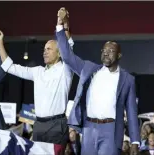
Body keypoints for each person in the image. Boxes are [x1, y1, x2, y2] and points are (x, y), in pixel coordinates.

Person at [56, 7, 140, 155]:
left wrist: (135, 140)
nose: (106, 53)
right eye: (104, 51)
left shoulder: (127, 79)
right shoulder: (89, 69)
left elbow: (132, 111)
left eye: (111, 51)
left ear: (119, 55)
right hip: (89, 128)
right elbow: (67, 56)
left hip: (112, 130)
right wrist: (60, 25)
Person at [0, 26, 74, 148]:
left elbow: (69, 50)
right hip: (38, 125)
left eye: (49, 49)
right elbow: (10, 67)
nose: (45, 51)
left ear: (59, 53)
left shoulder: (65, 70)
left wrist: (64, 25)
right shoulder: (37, 71)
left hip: (57, 125)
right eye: (44, 49)